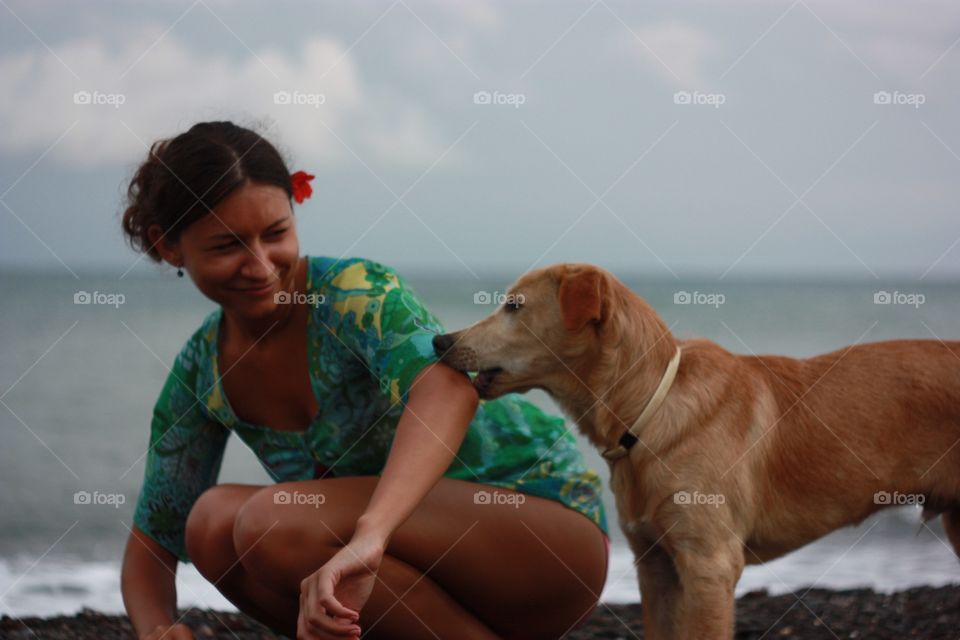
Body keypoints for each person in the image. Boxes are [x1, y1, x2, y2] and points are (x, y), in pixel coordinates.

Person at [118, 121, 609, 640]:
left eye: (276, 234)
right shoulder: (203, 367)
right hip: (422, 585)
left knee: (273, 521)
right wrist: (156, 629)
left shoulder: (354, 294)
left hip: (542, 537)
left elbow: (446, 389)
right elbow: (155, 538)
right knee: (210, 523)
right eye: (227, 246)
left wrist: (371, 533)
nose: (261, 266)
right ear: (169, 247)